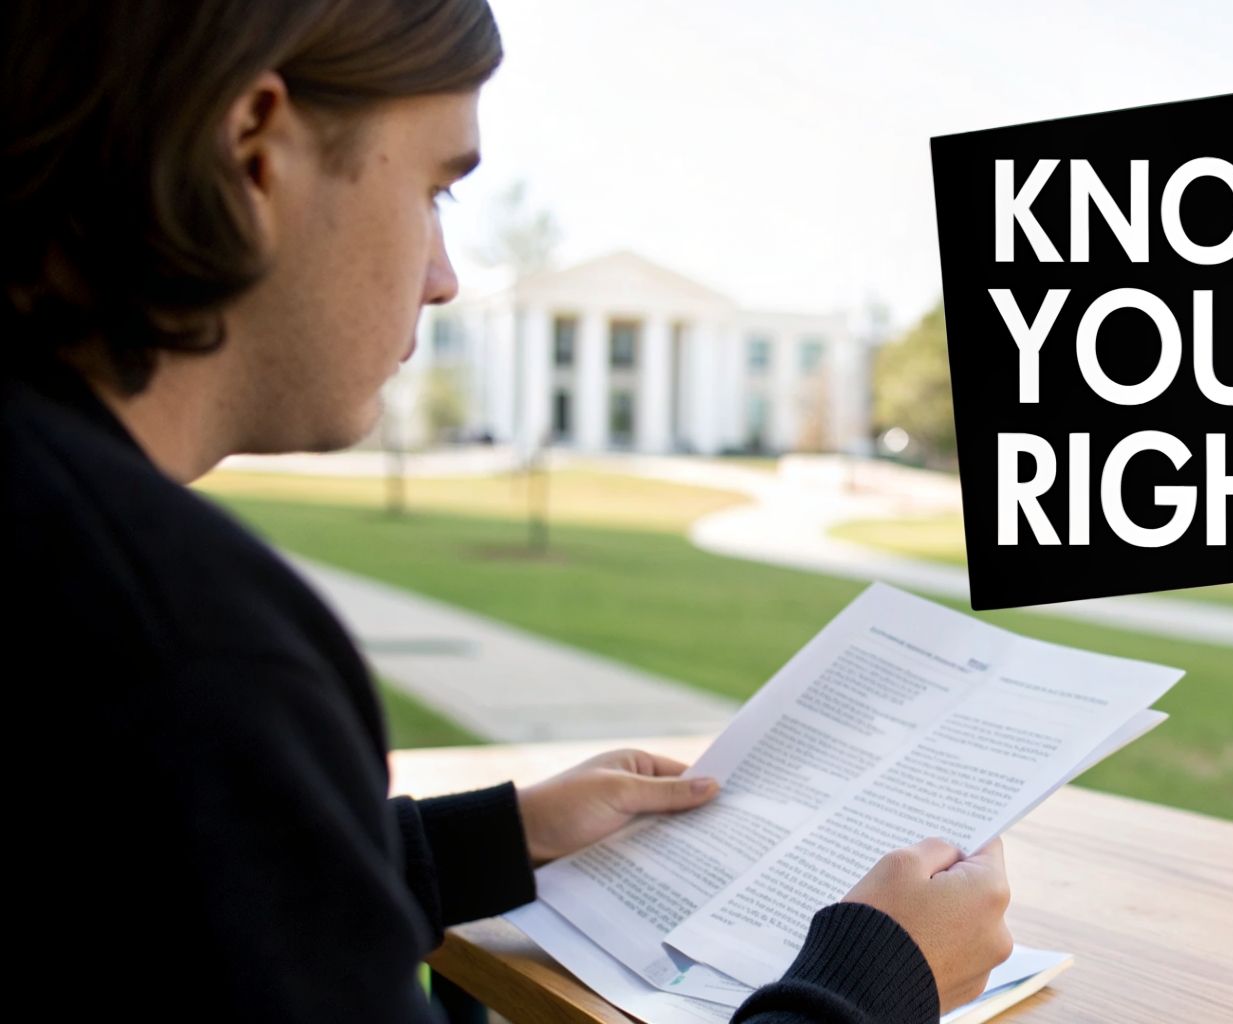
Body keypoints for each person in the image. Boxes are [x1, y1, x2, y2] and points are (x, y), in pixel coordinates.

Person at [0, 2, 1013, 1022]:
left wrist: (488, 839)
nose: (443, 279)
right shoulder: (186, 653)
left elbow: (175, 889)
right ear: (256, 147)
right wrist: (870, 984)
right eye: (437, 187)